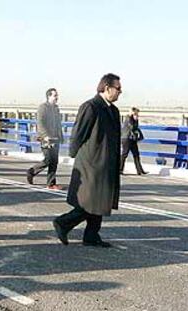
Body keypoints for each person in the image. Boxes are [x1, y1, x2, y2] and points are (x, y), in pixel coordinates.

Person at [53, 73, 122, 248]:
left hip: (106, 163)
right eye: (118, 89)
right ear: (107, 88)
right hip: (91, 163)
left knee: (101, 200)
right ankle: (63, 222)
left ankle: (91, 235)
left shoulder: (113, 110)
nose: (120, 92)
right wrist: (75, 155)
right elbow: (78, 135)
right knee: (91, 201)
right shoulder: (91, 106)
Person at [26, 88, 64, 190]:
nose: (57, 97)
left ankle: (51, 183)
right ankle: (32, 171)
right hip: (46, 138)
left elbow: (58, 124)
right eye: (55, 95)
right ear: (49, 96)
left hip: (55, 138)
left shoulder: (56, 108)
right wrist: (45, 136)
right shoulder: (43, 107)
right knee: (48, 160)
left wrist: (61, 136)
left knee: (54, 161)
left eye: (57, 95)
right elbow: (40, 123)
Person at [119, 107, 148, 175]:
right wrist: (134, 120)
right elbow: (132, 127)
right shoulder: (128, 118)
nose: (137, 116)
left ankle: (139, 170)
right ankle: (120, 169)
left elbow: (136, 128)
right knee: (124, 154)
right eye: (136, 114)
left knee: (136, 154)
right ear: (133, 113)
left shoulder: (135, 120)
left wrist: (140, 135)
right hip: (126, 138)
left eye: (137, 114)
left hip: (132, 139)